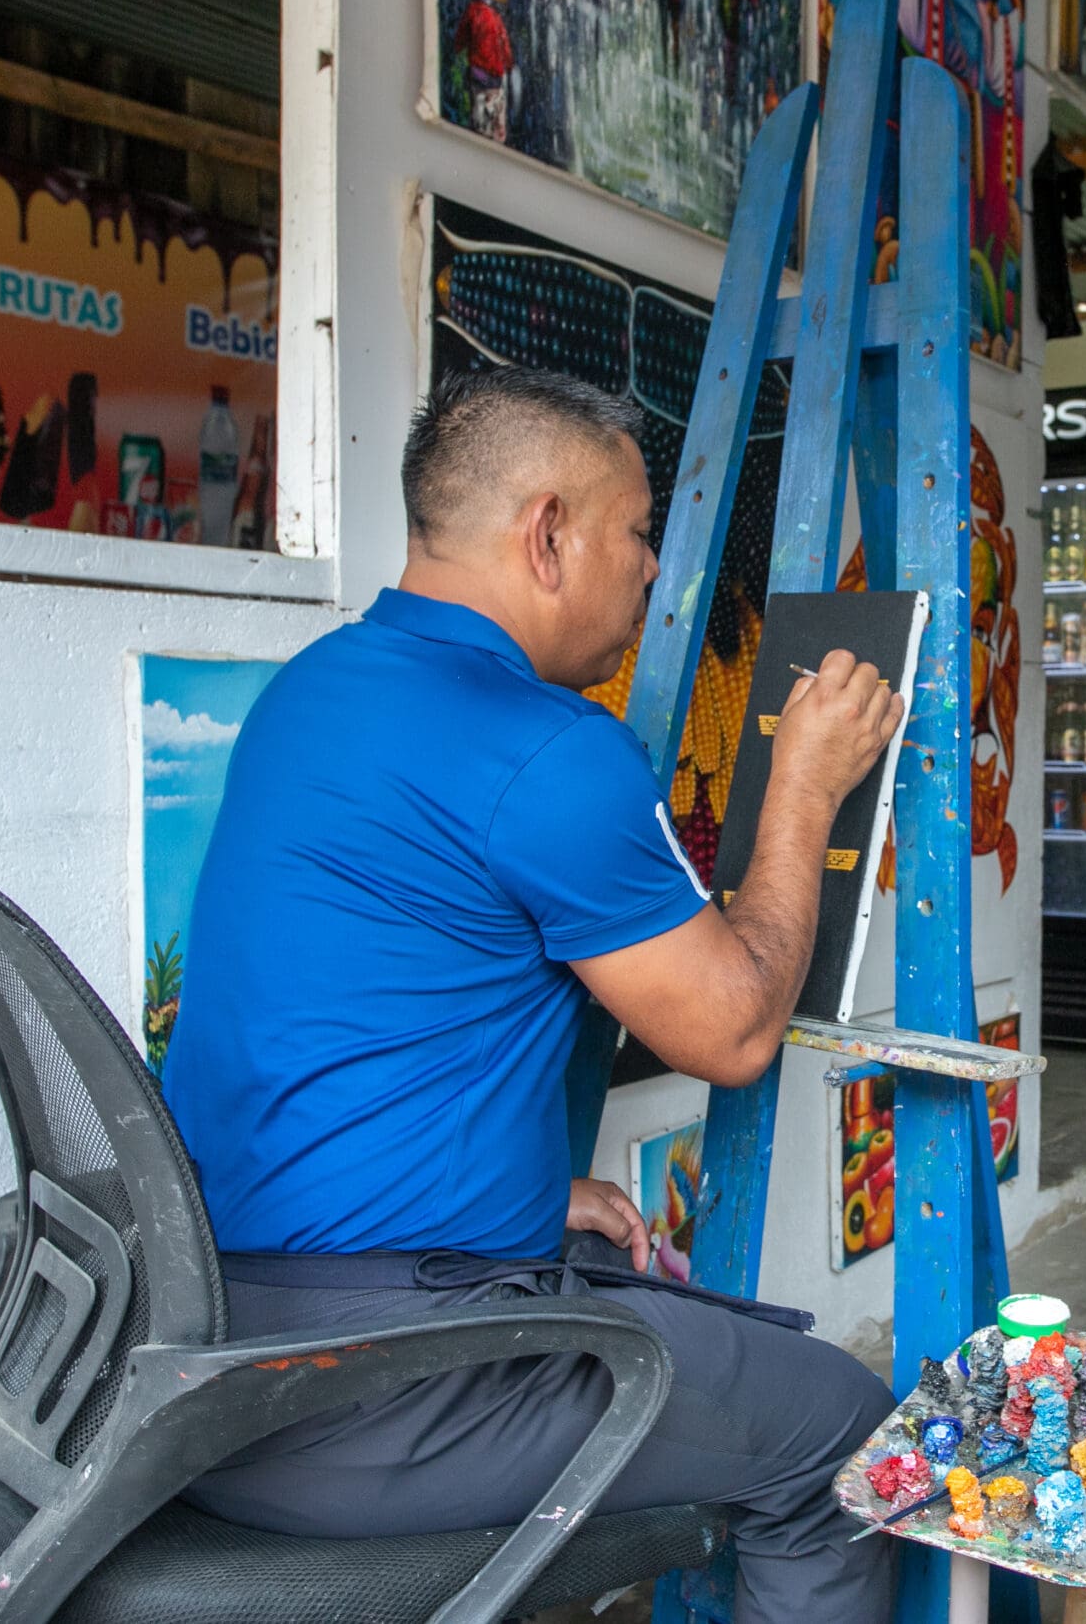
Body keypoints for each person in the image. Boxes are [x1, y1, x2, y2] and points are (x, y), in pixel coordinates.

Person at [160, 363, 908, 1621]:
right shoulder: (545, 748)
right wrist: (801, 787)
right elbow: (730, 1028)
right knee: (839, 1431)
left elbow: (349, 1029)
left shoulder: (309, 694)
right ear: (548, 533)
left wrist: (523, 1192)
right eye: (637, 531)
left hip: (211, 1350)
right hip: (379, 1392)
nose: (656, 570)